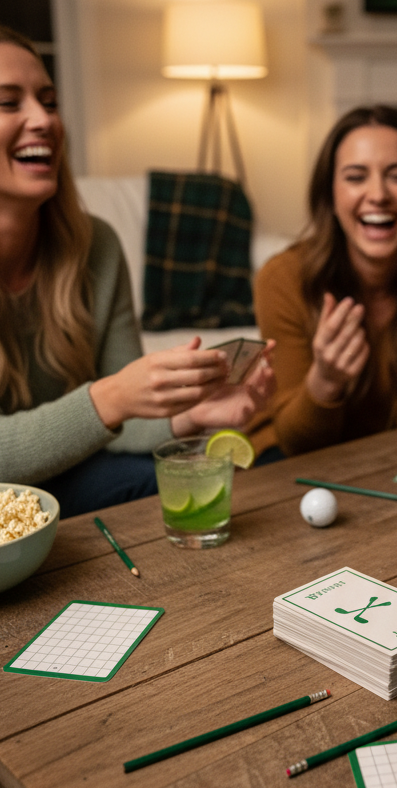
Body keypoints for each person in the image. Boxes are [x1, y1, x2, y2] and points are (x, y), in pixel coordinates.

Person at [0, 26, 275, 517]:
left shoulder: (95, 246)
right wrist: (109, 396)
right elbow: (110, 404)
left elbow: (119, 422)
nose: (43, 119)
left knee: (215, 476)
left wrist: (191, 415)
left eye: (49, 100)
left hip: (70, 475)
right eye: (8, 103)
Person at [250, 106, 397, 457]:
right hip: (293, 468)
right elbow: (294, 444)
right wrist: (324, 382)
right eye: (356, 176)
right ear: (330, 195)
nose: (378, 194)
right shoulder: (281, 278)